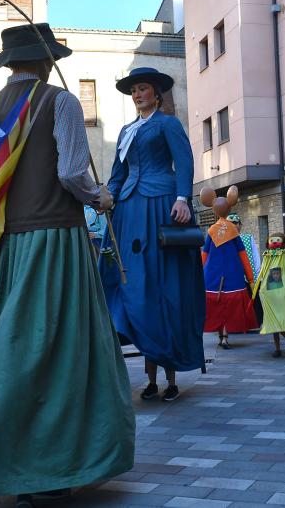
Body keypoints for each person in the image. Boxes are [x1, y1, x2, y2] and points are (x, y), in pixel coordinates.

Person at [0, 23, 134, 504]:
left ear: (9, 63)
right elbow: (71, 172)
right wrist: (99, 196)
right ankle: (50, 467)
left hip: (9, 250)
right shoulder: (60, 101)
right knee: (61, 350)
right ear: (45, 59)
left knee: (2, 351)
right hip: (56, 241)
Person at [99, 66, 204, 405]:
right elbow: (118, 174)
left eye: (143, 89)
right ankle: (149, 379)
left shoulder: (168, 124)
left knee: (164, 287)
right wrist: (107, 195)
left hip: (161, 203)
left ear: (156, 94)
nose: (137, 94)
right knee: (132, 283)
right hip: (128, 210)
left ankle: (170, 378)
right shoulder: (126, 131)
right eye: (134, 90)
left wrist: (182, 198)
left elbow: (184, 162)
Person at [200, 187, 258, 349]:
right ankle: (224, 336)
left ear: (213, 208)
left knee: (216, 305)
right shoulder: (233, 230)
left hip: (211, 275)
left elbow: (204, 255)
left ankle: (222, 335)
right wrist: (251, 278)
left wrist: (198, 273)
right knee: (228, 305)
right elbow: (243, 256)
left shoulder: (211, 231)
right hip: (233, 275)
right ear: (229, 207)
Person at [253, 232, 285, 357]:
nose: (275, 242)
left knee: (278, 321)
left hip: (281, 291)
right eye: (272, 240)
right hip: (270, 292)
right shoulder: (267, 255)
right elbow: (264, 271)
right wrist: (261, 287)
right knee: (273, 322)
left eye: (277, 240)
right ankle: (279, 348)